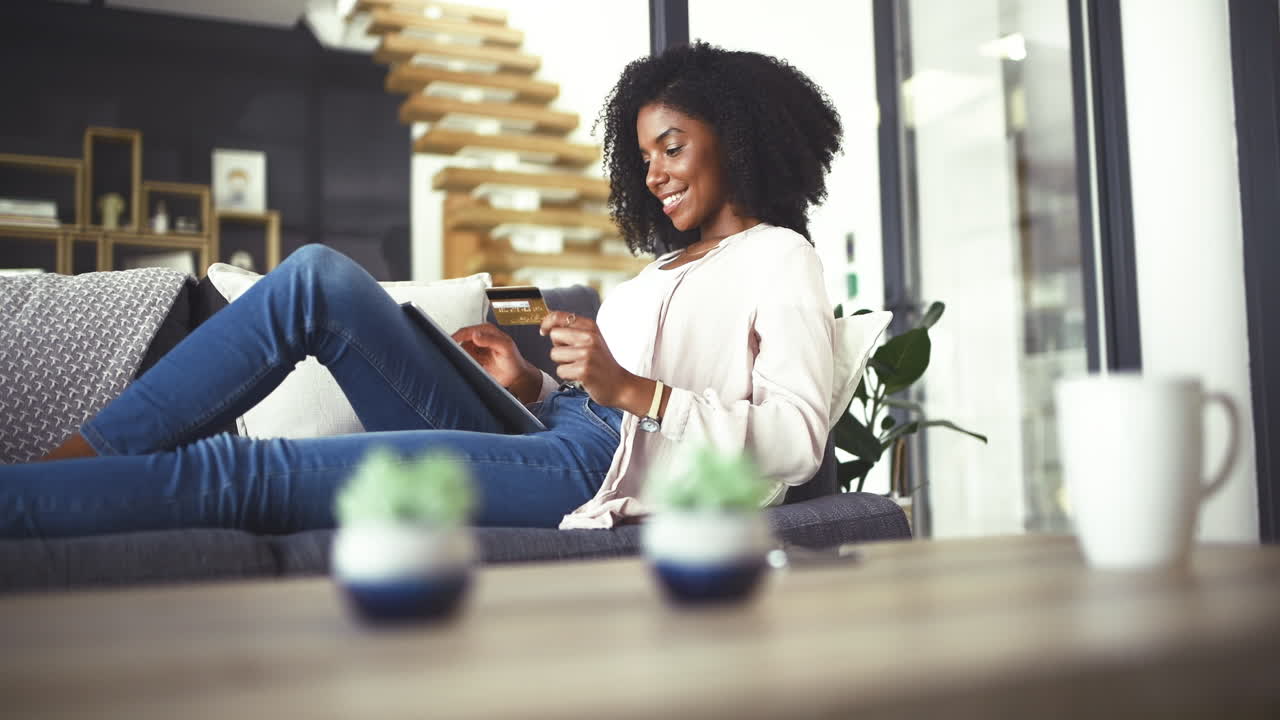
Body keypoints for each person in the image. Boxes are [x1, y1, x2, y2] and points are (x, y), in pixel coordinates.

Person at [0, 42, 842, 537]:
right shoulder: (666, 267)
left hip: (586, 472)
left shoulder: (780, 260)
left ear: (734, 139)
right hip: (553, 428)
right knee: (316, 281)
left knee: (242, 473)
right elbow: (607, 396)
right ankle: (81, 457)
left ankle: (24, 498)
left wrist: (631, 390)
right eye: (645, 156)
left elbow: (796, 440)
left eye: (671, 145)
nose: (654, 173)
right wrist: (534, 383)